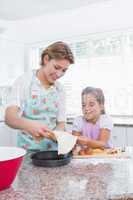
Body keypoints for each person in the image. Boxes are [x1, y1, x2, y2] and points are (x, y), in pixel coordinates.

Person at [5, 41, 74, 151]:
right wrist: (29, 125)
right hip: (28, 154)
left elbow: (61, 123)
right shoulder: (24, 81)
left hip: (53, 153)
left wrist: (58, 135)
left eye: (64, 70)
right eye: (56, 67)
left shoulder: (60, 89)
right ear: (46, 59)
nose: (59, 74)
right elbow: (10, 118)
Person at [72, 86, 113, 151]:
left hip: (105, 155)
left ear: (101, 106)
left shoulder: (105, 120)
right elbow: (73, 143)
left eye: (91, 105)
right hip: (86, 157)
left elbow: (102, 144)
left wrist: (87, 142)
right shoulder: (78, 121)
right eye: (83, 105)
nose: (86, 108)